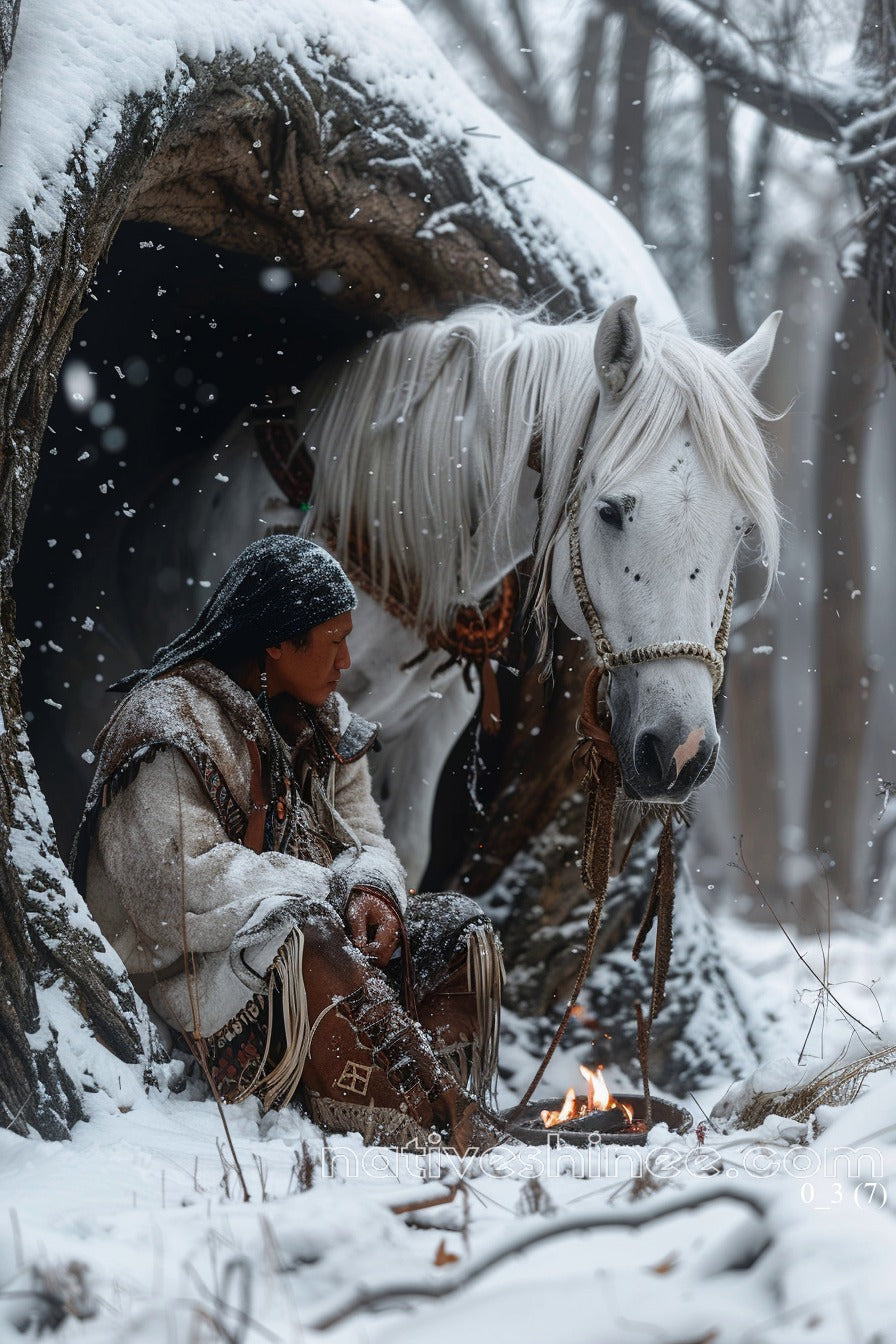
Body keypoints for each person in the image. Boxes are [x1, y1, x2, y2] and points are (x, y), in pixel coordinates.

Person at [71, 535, 505, 1151]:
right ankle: (425, 1117)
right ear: (275, 642)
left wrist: (370, 889)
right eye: (334, 641)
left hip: (306, 944)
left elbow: (368, 839)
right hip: (191, 974)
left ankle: (419, 1093)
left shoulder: (324, 719)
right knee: (310, 933)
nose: (348, 661)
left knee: (460, 932)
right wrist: (327, 891)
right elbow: (179, 892)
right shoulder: (169, 727)